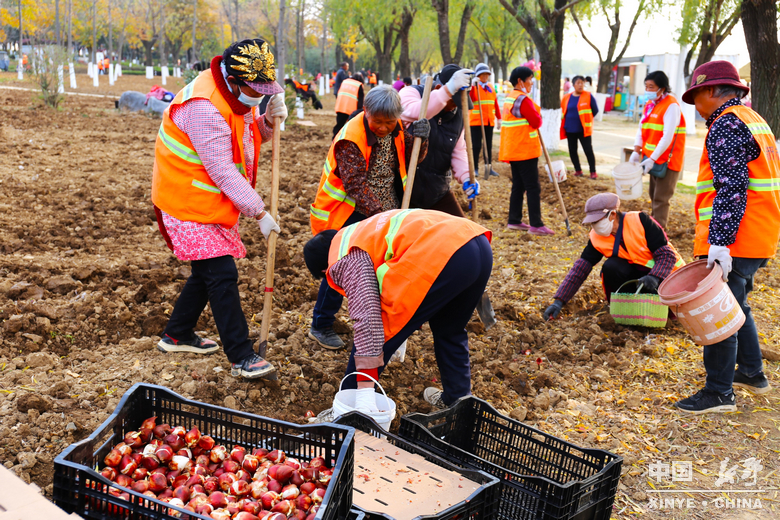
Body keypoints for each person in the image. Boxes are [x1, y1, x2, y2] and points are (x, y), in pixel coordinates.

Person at [150, 38, 288, 379]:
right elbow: (223, 168)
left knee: (206, 272)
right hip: (186, 202)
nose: (257, 97)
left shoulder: (234, 99)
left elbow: (242, 140)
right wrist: (259, 212)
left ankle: (177, 334)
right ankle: (241, 355)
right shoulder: (203, 107)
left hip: (208, 200)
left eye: (263, 92)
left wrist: (267, 122)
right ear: (232, 79)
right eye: (254, 91)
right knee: (221, 273)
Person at [303, 209, 493, 413]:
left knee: (380, 332)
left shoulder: (345, 257)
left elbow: (368, 319)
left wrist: (364, 391)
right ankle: (458, 401)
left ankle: (350, 408)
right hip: (476, 243)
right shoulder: (358, 231)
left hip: (446, 254)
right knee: (450, 329)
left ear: (326, 270)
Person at [673, 60, 780, 414]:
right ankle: (751, 371)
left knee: (717, 314)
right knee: (737, 304)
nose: (695, 105)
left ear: (709, 90)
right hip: (759, 234)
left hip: (737, 238)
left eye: (695, 96)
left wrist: (719, 243)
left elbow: (731, 189)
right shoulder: (754, 119)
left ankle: (719, 392)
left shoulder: (726, 124)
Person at [308, 86, 430, 349]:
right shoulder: (350, 137)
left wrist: (423, 139)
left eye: (389, 122)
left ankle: (381, 324)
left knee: (381, 269)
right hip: (351, 212)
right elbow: (356, 186)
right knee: (342, 265)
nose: (384, 128)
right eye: (378, 122)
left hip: (387, 208)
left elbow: (413, 157)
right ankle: (321, 323)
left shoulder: (396, 127)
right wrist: (382, 217)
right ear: (366, 112)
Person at [543, 193, 684, 320]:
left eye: (597, 221)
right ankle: (628, 310)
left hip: (666, 275)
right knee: (611, 267)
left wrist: (655, 276)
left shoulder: (641, 221)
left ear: (612, 215)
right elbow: (580, 269)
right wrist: (559, 301)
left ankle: (660, 311)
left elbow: (667, 255)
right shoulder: (597, 237)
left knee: (668, 311)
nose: (595, 226)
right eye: (592, 222)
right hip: (638, 278)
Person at [400, 64, 477, 216]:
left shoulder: (458, 115)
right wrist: (448, 91)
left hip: (437, 191)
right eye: (453, 100)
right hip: (404, 189)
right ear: (438, 88)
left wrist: (467, 176)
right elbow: (418, 112)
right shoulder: (410, 93)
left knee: (464, 235)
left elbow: (458, 151)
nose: (456, 106)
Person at [500, 66, 553, 235]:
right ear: (520, 81)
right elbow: (536, 121)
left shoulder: (510, 98)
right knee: (532, 187)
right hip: (524, 151)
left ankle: (514, 220)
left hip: (514, 149)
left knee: (518, 185)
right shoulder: (522, 100)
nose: (531, 82)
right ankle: (536, 224)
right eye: (529, 79)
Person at [629, 71, 686, 229]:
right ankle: (653, 230)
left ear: (662, 88)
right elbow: (642, 128)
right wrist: (636, 150)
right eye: (646, 86)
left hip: (667, 160)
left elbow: (667, 136)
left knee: (661, 199)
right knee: (653, 196)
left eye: (651, 87)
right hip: (651, 159)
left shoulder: (671, 105)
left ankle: (659, 237)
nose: (648, 90)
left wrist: (652, 159)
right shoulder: (650, 105)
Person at [560, 75, 599, 179]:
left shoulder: (588, 96)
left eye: (582, 83)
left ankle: (593, 172)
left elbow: (595, 110)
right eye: (578, 83)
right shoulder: (566, 97)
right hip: (570, 129)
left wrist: (587, 119)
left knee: (588, 150)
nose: (581, 85)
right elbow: (563, 111)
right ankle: (578, 170)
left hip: (583, 129)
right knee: (572, 151)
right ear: (573, 85)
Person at [469, 63, 501, 178]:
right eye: (482, 75)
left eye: (486, 74)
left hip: (489, 121)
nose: (484, 77)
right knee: (476, 145)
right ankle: (475, 168)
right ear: (478, 76)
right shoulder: (474, 88)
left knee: (488, 145)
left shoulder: (491, 88)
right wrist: (473, 85)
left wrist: (499, 118)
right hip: (476, 122)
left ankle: (489, 167)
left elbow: (495, 104)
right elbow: (471, 99)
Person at [332, 73, 365, 137]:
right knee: (352, 126)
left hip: (340, 107)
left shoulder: (345, 82)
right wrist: (359, 111)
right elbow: (360, 101)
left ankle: (335, 139)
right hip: (352, 109)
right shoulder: (359, 85)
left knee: (339, 124)